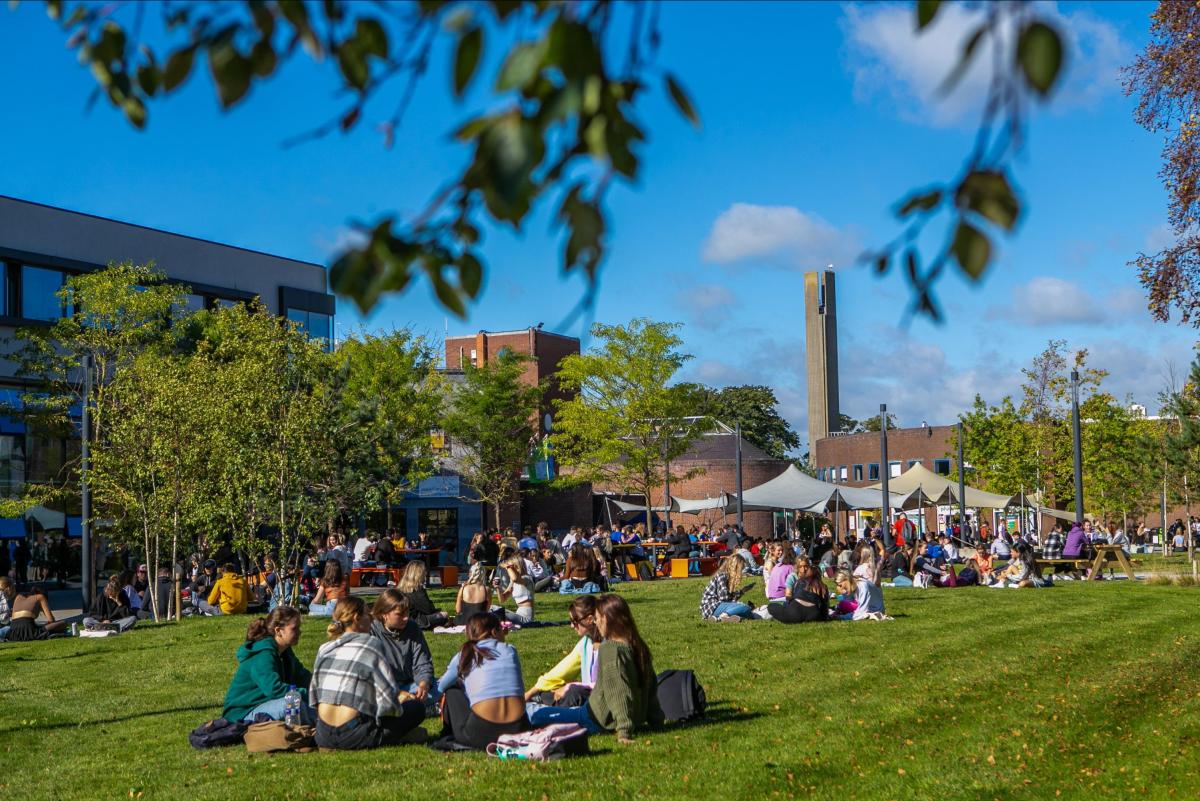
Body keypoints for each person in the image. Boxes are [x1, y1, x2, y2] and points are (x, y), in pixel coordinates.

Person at [526, 594, 663, 743]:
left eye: (597, 618)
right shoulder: (637, 645)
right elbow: (650, 687)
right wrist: (656, 721)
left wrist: (624, 732)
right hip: (602, 714)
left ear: (606, 619)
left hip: (596, 719)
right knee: (550, 707)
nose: (596, 622)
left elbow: (618, 692)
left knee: (534, 715)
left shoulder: (611, 649)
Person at [311, 597, 427, 750]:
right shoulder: (371, 644)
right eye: (368, 615)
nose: (372, 619)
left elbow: (314, 696)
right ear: (357, 618)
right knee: (417, 709)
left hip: (323, 734)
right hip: (354, 733)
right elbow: (388, 703)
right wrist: (401, 699)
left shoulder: (324, 648)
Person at [436, 612, 530, 749]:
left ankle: (447, 732)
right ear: (495, 631)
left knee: (452, 690)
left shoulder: (464, 654)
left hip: (480, 734)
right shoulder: (511, 650)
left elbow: (442, 686)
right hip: (519, 729)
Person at [222, 606, 313, 722]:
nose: (299, 632)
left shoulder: (285, 652)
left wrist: (320, 688)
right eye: (295, 628)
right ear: (278, 630)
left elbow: (303, 676)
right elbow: (274, 689)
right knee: (293, 703)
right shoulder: (263, 654)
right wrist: (305, 693)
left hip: (266, 704)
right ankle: (303, 733)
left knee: (319, 706)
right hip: (243, 713)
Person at [524, 595, 601, 706]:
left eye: (574, 621)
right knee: (548, 692)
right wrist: (530, 692)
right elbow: (561, 671)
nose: (571, 626)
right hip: (587, 695)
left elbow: (607, 686)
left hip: (601, 700)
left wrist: (570, 686)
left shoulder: (610, 645)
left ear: (590, 619)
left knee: (574, 693)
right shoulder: (585, 643)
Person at [369, 590, 437, 705]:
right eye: (400, 614)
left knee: (442, 685)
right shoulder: (371, 631)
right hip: (384, 689)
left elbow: (423, 662)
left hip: (411, 686)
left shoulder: (413, 628)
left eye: (407, 613)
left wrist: (423, 684)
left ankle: (413, 703)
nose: (406, 618)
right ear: (384, 614)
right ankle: (418, 705)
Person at [768, 560, 830, 624]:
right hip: (813, 614)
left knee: (771, 606)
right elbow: (825, 607)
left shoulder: (800, 581)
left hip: (795, 611)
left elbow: (793, 597)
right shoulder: (822, 586)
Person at [699, 553, 755, 622]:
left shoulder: (726, 576)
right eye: (741, 569)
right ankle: (723, 616)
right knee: (745, 607)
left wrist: (742, 591)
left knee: (747, 612)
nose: (741, 572)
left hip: (717, 606)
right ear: (736, 567)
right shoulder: (722, 575)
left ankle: (722, 618)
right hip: (711, 607)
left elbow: (727, 597)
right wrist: (737, 603)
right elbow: (724, 598)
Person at [4, 584, 70, 640]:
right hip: (30, 631)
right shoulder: (40, 597)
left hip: (13, 632)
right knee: (64, 623)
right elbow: (51, 620)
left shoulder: (18, 597)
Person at [397, 561, 449, 630]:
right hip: (417, 621)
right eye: (424, 571)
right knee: (444, 615)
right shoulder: (417, 590)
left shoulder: (400, 589)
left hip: (402, 619)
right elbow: (427, 609)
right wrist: (439, 613)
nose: (426, 573)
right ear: (419, 574)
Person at [493, 555, 536, 624]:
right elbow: (502, 599)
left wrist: (507, 566)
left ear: (516, 566)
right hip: (518, 614)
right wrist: (498, 588)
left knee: (496, 610)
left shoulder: (527, 578)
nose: (508, 570)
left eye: (510, 567)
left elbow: (515, 578)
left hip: (526, 617)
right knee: (492, 608)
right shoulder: (513, 582)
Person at [0, 576, 13, 641]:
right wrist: (9, 613)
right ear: (8, 588)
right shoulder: (2, 594)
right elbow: (3, 613)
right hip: (3, 623)